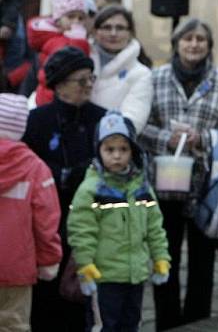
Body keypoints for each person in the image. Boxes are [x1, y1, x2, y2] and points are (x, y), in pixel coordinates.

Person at [140, 18, 218, 331]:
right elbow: (138, 126)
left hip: (206, 184)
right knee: (165, 256)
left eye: (201, 39)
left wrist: (203, 138)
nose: (194, 44)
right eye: (187, 38)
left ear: (209, 46)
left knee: (202, 261)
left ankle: (197, 323)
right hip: (164, 182)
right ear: (176, 43)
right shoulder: (155, 78)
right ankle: (167, 322)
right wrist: (166, 139)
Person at [23, 46, 106, 331]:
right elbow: (28, 163)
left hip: (88, 220)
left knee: (78, 299)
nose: (88, 86)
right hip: (47, 221)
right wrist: (60, 173)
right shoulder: (37, 120)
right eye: (80, 81)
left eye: (90, 79)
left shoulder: (102, 119)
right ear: (59, 85)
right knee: (45, 299)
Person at [67, 111, 170, 331]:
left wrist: (161, 257)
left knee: (131, 323)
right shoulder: (91, 190)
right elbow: (81, 231)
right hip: (104, 276)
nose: (116, 156)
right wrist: (85, 265)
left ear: (133, 151)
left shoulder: (142, 188)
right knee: (104, 325)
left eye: (123, 149)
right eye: (109, 149)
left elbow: (155, 227)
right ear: (98, 151)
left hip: (136, 275)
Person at [0, 93, 62, 331]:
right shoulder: (35, 168)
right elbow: (46, 223)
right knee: (13, 324)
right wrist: (49, 260)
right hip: (17, 269)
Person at [89, 5, 153, 133]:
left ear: (130, 33)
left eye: (120, 28)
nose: (113, 33)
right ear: (96, 32)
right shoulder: (82, 59)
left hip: (114, 146)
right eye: (107, 27)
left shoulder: (140, 73)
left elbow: (133, 119)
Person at [27, 0, 91, 107]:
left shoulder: (67, 38)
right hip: (53, 99)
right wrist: (78, 40)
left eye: (81, 18)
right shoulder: (58, 42)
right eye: (70, 16)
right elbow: (73, 64)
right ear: (58, 20)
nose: (76, 21)